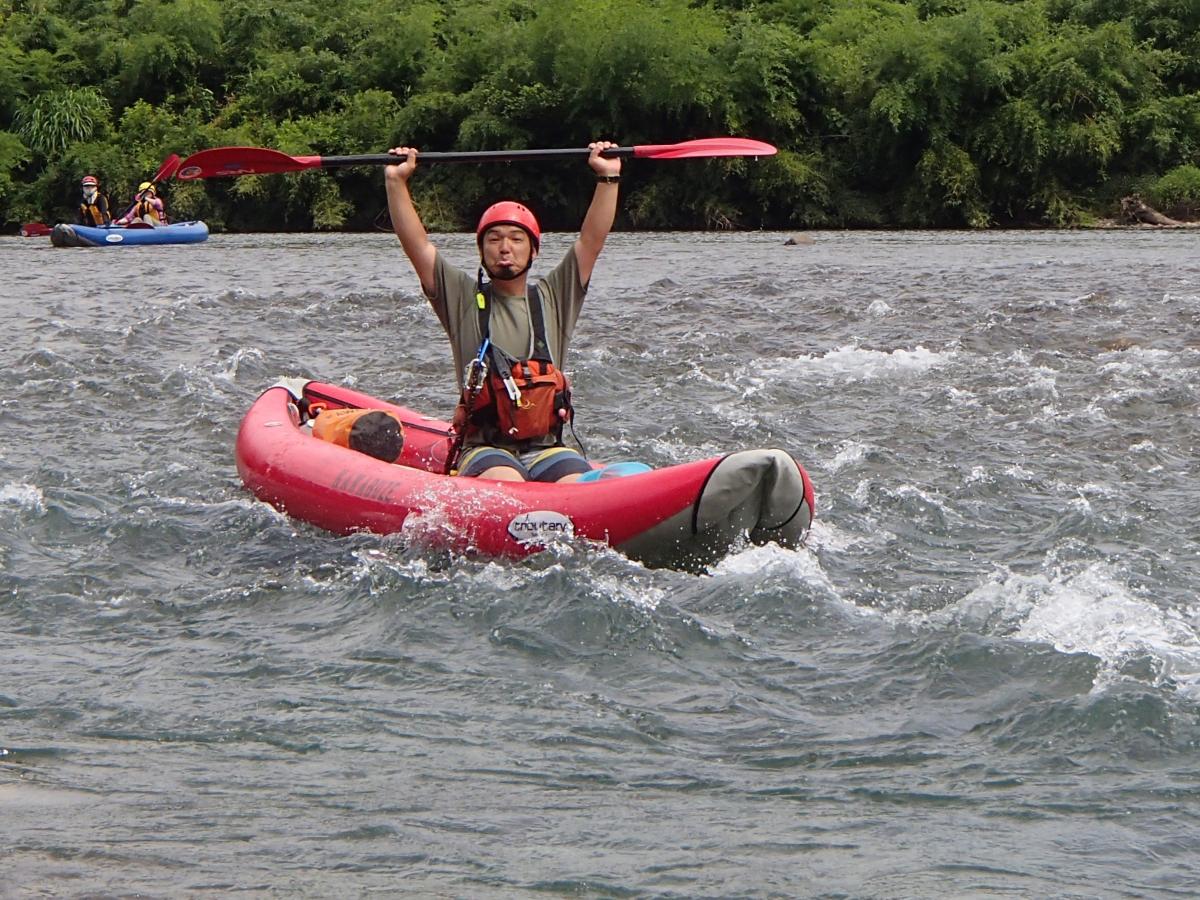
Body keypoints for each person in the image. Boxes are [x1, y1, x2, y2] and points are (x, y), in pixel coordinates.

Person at [385, 141, 621, 482]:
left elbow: (590, 242)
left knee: (576, 483)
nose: (505, 248)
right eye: (494, 239)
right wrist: (396, 182)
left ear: (534, 251)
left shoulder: (555, 297)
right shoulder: (461, 297)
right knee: (508, 480)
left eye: (516, 239)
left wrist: (609, 177)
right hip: (485, 449)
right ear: (482, 252)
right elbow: (418, 246)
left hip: (547, 448)